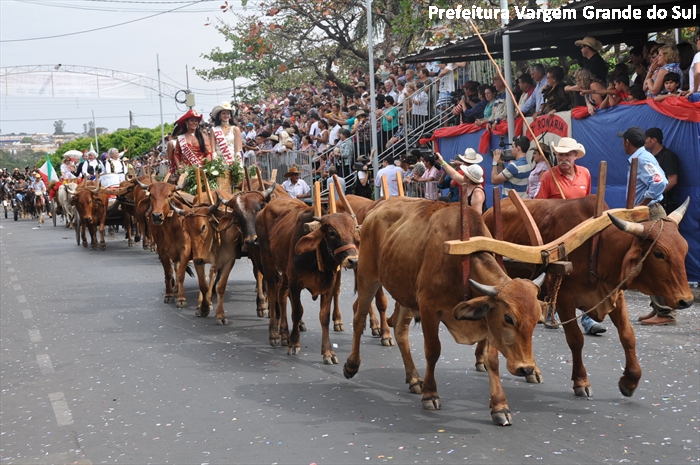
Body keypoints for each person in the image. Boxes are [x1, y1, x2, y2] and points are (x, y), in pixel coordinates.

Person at [617, 126, 674, 326]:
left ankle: (665, 311)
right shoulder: (641, 157)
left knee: (653, 261)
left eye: (622, 141)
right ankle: (658, 307)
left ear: (627, 142)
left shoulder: (643, 159)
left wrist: (642, 203)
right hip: (645, 213)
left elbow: (660, 182)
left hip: (649, 213)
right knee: (647, 259)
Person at [644, 128, 678, 215]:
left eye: (646, 138)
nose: (643, 141)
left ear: (654, 140)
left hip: (664, 205)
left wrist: (655, 194)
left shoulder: (668, 156)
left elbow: (672, 181)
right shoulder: (648, 158)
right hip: (648, 204)